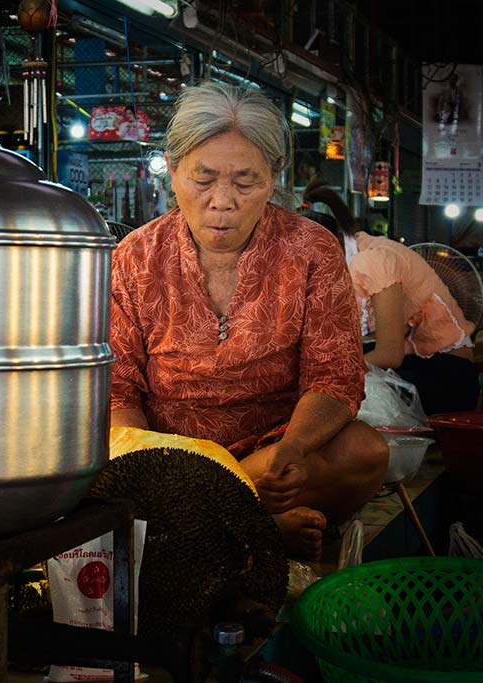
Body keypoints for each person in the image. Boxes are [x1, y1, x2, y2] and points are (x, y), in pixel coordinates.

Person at [109, 83, 388, 560]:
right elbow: (117, 390)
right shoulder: (134, 257)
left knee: (366, 453)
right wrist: (154, 463)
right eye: (203, 179)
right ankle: (253, 529)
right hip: (171, 457)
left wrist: (295, 449)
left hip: (271, 453)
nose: (223, 201)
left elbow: (335, 373)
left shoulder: (311, 248)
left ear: (274, 177)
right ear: (173, 172)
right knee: (99, 467)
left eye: (245, 182)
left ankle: (211, 526)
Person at [302, 180, 480, 415]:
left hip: (447, 376)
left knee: (338, 400)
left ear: (327, 247)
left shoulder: (372, 262)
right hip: (414, 365)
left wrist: (327, 375)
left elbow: (390, 354)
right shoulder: (350, 256)